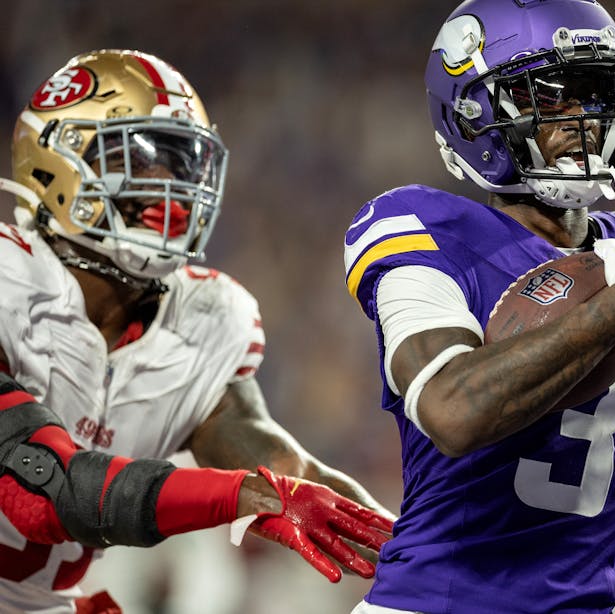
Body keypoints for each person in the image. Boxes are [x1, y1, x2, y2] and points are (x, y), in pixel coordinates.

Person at [343, 1, 615, 613]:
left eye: (596, 93)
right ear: (475, 111)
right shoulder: (426, 234)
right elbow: (454, 412)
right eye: (550, 96)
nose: (584, 119)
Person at [0, 48, 394, 613]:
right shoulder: (8, 285)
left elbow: (291, 476)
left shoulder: (202, 316)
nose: (171, 184)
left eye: (181, 161)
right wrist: (249, 497)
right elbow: (49, 493)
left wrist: (429, 561)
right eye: (138, 157)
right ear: (54, 163)